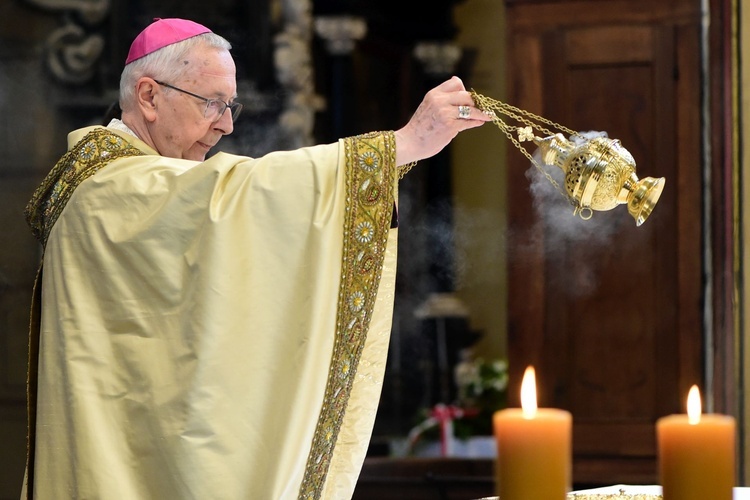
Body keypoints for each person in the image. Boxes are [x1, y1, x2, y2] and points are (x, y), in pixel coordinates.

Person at [22, 18, 491, 499]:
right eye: (211, 103)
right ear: (148, 96)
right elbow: (235, 195)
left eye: (230, 106)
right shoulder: (108, 189)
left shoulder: (137, 185)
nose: (225, 125)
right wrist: (400, 145)